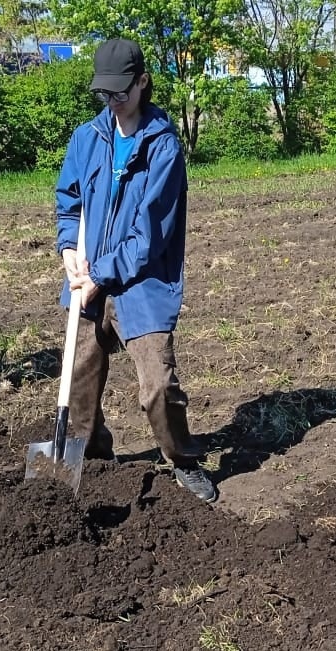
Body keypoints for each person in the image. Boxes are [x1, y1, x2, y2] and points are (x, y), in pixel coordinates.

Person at [54, 38, 216, 503]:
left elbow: (150, 233)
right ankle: (93, 459)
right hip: (89, 274)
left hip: (141, 280)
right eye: (104, 93)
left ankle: (183, 460)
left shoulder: (163, 148)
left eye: (120, 92)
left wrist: (100, 275)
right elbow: (69, 201)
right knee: (78, 380)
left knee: (158, 386)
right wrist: (68, 249)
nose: (112, 101)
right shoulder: (87, 138)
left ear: (143, 82)